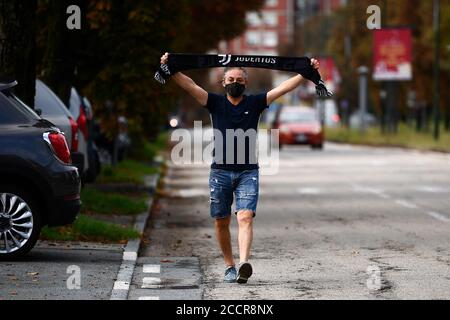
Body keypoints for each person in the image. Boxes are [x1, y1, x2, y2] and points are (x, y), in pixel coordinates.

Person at [160, 52, 320, 284]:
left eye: (240, 80)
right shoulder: (214, 102)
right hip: (220, 172)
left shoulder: (255, 103)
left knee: (245, 216)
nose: (235, 83)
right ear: (223, 83)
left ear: (246, 83)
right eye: (231, 80)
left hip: (248, 171)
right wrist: (170, 66)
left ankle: (244, 262)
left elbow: (283, 88)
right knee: (221, 220)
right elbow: (190, 85)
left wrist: (305, 71)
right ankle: (229, 266)